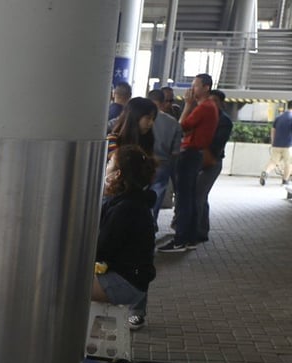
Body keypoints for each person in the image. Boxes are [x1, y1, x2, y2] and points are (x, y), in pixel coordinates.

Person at [93, 145, 157, 329]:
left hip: (124, 284)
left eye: (110, 163)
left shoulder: (126, 208)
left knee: (61, 285)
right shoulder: (130, 201)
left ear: (117, 174)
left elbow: (101, 250)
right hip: (133, 281)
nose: (105, 166)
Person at [159, 73, 218, 253]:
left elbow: (180, 127)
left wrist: (187, 105)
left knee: (184, 199)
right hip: (195, 155)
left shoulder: (203, 107)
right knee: (190, 198)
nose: (191, 90)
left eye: (195, 85)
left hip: (190, 154)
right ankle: (190, 238)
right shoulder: (210, 106)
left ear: (206, 87)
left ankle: (180, 239)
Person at [194, 89, 233, 243]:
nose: (211, 104)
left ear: (221, 103)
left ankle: (197, 231)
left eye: (215, 101)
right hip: (199, 160)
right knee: (201, 196)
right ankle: (201, 230)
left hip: (211, 162)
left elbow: (216, 144)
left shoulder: (224, 121)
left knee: (199, 196)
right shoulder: (206, 116)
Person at [146, 89, 182, 224]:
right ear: (162, 103)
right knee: (156, 196)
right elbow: (175, 152)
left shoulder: (140, 117)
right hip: (163, 164)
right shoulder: (173, 123)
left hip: (142, 162)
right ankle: (151, 224)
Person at [259, 100, 292, 187]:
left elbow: (273, 130)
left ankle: (265, 173)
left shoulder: (279, 117)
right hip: (288, 145)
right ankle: (285, 180)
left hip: (276, 144)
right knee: (289, 163)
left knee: (273, 162)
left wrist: (273, 142)